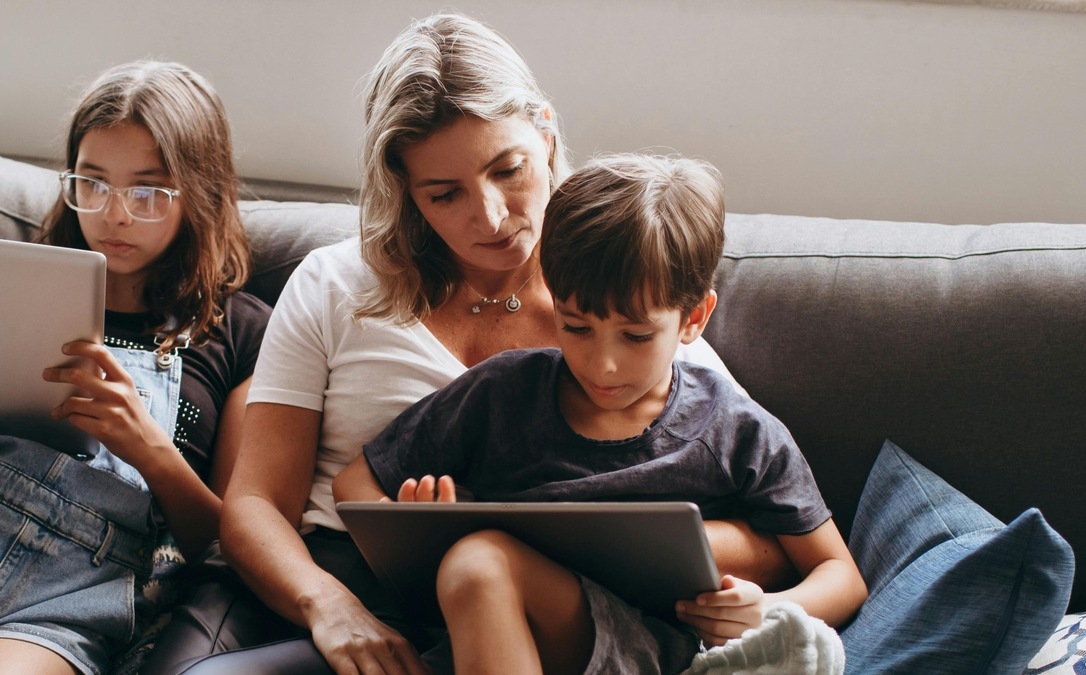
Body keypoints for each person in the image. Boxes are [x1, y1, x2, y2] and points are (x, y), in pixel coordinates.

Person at [144, 12, 795, 675]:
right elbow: (255, 505)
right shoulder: (333, 285)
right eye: (445, 194)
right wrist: (330, 607)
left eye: (508, 169)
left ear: (545, 135)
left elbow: (776, 530)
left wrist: (590, 537)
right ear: (405, 190)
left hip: (520, 611)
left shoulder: (621, 299)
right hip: (332, 590)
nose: (489, 216)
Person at [333, 153, 868, 674]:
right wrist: (415, 526)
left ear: (694, 318)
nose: (603, 364)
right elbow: (355, 483)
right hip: (509, 631)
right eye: (576, 327)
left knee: (478, 561)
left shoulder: (735, 430)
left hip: (655, 651)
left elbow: (840, 576)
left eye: (636, 336)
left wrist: (766, 609)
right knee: (475, 562)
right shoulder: (501, 393)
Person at [0, 61, 270, 675]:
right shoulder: (16, 281)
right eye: (92, 183)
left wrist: (150, 449)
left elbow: (232, 543)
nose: (114, 214)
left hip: (68, 597)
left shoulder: (242, 333)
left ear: (198, 192)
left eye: (148, 192)